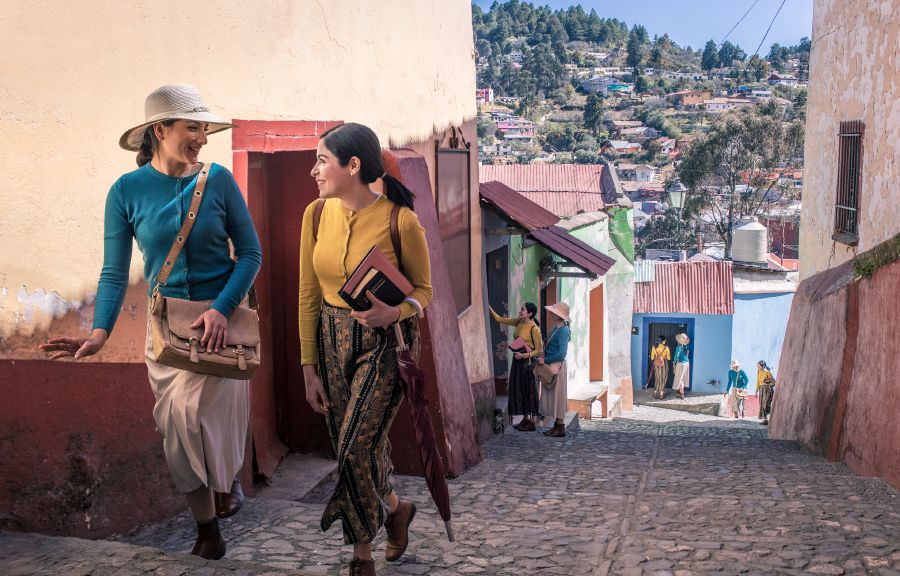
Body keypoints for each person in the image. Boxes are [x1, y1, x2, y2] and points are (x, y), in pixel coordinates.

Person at [40, 84, 261, 560]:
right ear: (160, 130)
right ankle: (207, 526)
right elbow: (114, 272)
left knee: (196, 413)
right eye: (192, 127)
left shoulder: (219, 181)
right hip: (164, 329)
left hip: (220, 322)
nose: (202, 137)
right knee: (175, 429)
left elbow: (250, 254)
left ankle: (227, 483)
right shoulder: (125, 191)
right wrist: (99, 332)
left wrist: (221, 309)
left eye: (204, 128)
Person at [298, 123, 433, 576]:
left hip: (383, 343)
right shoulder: (315, 215)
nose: (314, 169)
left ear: (352, 166)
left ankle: (362, 556)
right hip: (330, 337)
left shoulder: (401, 220)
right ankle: (396, 508)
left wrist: (393, 314)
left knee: (354, 446)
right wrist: (308, 367)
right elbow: (308, 294)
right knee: (357, 447)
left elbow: (424, 292)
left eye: (322, 160)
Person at [489, 302, 544, 431]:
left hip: (528, 362)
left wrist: (524, 356)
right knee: (518, 389)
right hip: (518, 361)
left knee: (529, 390)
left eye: (523, 310)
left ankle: (531, 421)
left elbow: (538, 350)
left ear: (530, 313)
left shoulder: (534, 329)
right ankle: (525, 419)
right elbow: (500, 319)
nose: (520, 311)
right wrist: (488, 307)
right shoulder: (519, 322)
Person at [538, 302, 571, 438]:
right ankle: (557, 427)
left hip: (557, 366)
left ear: (558, 315)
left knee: (558, 396)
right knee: (553, 396)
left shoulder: (563, 330)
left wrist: (544, 360)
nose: (551, 314)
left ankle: (559, 427)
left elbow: (561, 353)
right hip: (552, 364)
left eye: (554, 312)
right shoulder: (557, 328)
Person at [650, 335, 671, 400]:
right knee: (663, 378)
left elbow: (652, 358)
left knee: (657, 377)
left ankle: (655, 392)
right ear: (662, 341)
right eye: (665, 340)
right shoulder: (666, 348)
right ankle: (661, 393)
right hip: (664, 364)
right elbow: (669, 358)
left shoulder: (654, 347)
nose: (665, 341)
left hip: (656, 364)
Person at [756, 360, 775, 425]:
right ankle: (766, 420)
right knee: (761, 404)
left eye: (758, 366)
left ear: (763, 366)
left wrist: (767, 383)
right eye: (757, 366)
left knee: (766, 404)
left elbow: (773, 382)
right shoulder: (758, 372)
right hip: (761, 390)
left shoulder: (767, 373)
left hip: (767, 390)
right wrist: (756, 391)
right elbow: (758, 382)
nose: (757, 367)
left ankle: (769, 420)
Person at [672, 333, 691, 399]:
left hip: (681, 364)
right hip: (686, 363)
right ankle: (679, 392)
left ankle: (681, 393)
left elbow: (676, 356)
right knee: (683, 378)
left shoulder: (679, 347)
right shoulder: (686, 346)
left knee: (679, 379)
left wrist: (674, 362)